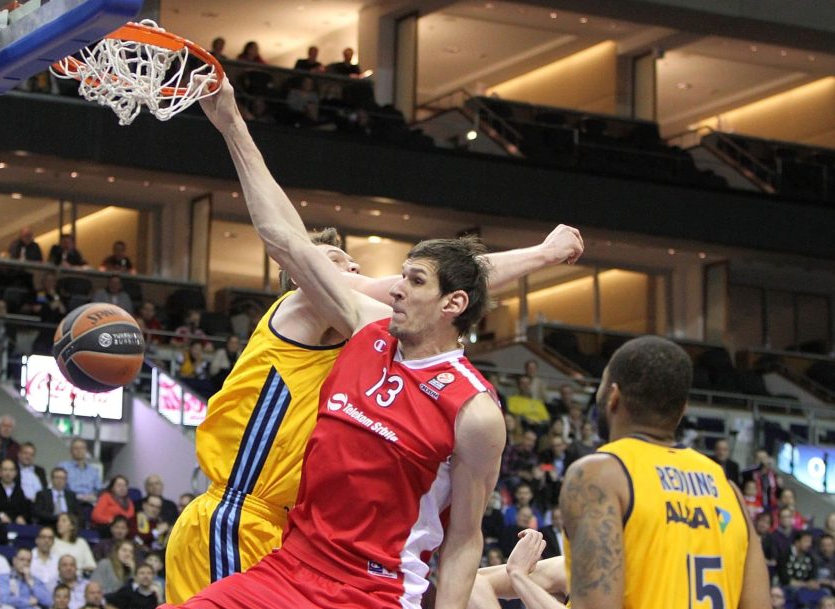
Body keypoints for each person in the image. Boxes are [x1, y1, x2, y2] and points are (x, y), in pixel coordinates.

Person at [163, 77, 584, 605]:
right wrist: (231, 123)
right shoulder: (332, 314)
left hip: (352, 573)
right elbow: (289, 241)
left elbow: (462, 541)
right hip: (258, 531)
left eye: (410, 280)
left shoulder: (467, 403)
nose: (364, 276)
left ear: (450, 304)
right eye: (343, 266)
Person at [489, 336, 770, 609]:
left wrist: (520, 578)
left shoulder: (600, 475)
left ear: (613, 396)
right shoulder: (728, 489)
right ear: (682, 409)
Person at [0, 457, 32, 526]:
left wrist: (20, 517)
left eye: (11, 470)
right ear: (0, 472)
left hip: (15, 525)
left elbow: (24, 509)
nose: (8, 473)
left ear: (15, 473)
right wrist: (0, 515)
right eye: (5, 470)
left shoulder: (19, 490)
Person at [57, 438, 101, 505]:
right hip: (70, 503)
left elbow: (99, 490)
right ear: (71, 451)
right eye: (76, 448)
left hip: (89, 504)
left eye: (82, 448)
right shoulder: (63, 467)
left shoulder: (93, 471)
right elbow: (58, 487)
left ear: (86, 450)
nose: (79, 451)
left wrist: (94, 496)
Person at [30, 526, 59, 591]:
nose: (47, 540)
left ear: (53, 542)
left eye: (50, 538)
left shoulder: (58, 560)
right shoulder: (28, 558)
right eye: (43, 537)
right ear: (37, 540)